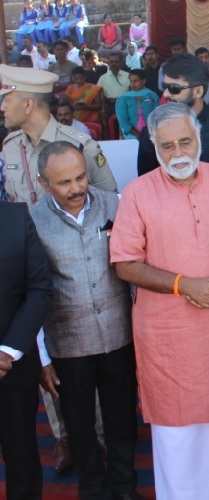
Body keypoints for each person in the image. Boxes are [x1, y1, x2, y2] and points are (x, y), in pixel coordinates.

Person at [110, 103, 209, 500]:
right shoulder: (137, 193)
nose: (177, 153)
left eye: (185, 141)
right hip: (168, 335)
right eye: (167, 146)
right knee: (178, 435)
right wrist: (186, 286)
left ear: (199, 138)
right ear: (154, 147)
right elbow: (125, 264)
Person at [30, 141, 139, 499]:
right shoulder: (33, 221)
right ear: (45, 183)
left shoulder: (115, 204)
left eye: (80, 177)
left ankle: (124, 487)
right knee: (79, 427)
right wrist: (43, 360)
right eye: (64, 183)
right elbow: (29, 292)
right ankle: (93, 490)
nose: (76, 188)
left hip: (119, 336)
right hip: (67, 344)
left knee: (122, 418)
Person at [1, 65, 116, 204]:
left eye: (7, 100)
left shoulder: (80, 145)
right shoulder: (12, 145)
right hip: (25, 225)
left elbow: (110, 198)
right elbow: (13, 197)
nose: (2, 108)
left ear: (28, 105)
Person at [0, 200, 53, 500]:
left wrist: (8, 352)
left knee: (22, 462)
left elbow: (39, 288)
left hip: (13, 368)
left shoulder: (17, 218)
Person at [137, 54, 209, 176]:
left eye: (174, 88)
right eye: (165, 87)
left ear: (198, 91)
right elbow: (147, 185)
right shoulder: (152, 132)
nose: (165, 94)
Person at [116, 69, 159, 139]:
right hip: (131, 136)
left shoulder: (152, 96)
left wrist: (150, 134)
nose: (133, 84)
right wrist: (139, 135)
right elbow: (123, 121)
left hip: (151, 135)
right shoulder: (124, 99)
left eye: (136, 81)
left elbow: (158, 116)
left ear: (143, 81)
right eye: (131, 81)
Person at [97, 52, 130, 122]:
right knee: (112, 130)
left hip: (126, 105)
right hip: (110, 107)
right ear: (108, 63)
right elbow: (98, 94)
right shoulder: (103, 78)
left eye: (116, 62)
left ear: (121, 63)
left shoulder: (128, 76)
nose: (114, 64)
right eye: (111, 62)